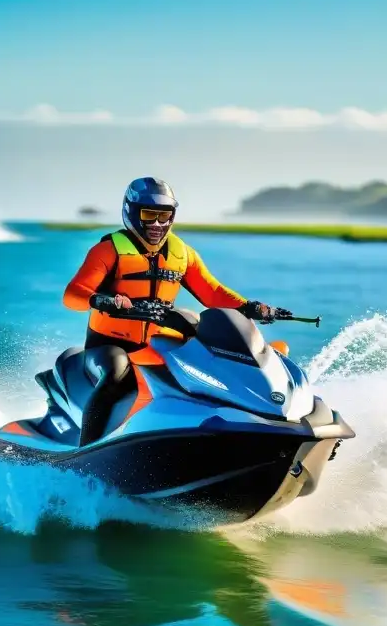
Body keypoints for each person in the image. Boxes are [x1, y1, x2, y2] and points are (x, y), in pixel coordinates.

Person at [63, 176, 291, 444]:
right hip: (110, 345)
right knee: (117, 373)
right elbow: (73, 296)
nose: (158, 224)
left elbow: (212, 292)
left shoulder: (183, 254)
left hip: (156, 345)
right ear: (132, 213)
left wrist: (249, 307)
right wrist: (105, 301)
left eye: (165, 215)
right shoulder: (108, 251)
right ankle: (85, 448)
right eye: (150, 215)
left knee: (206, 357)